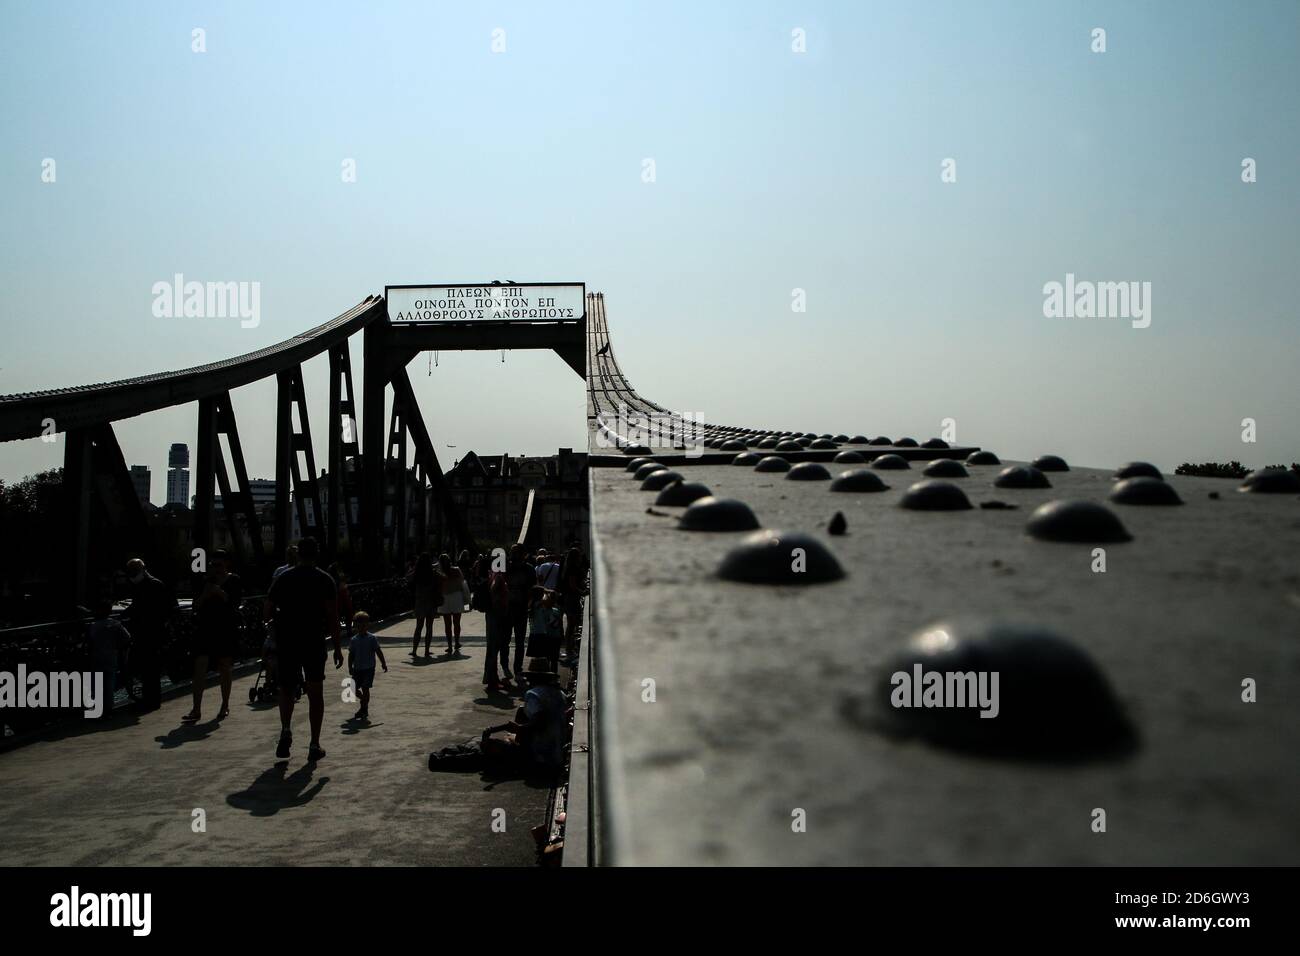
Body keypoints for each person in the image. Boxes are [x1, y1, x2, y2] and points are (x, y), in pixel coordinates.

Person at [264, 537, 342, 761]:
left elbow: (267, 608)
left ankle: (286, 729)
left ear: (298, 554)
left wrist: (272, 627)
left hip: (288, 640)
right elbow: (332, 616)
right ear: (316, 554)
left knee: (286, 689)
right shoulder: (325, 580)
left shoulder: (284, 577)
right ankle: (314, 744)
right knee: (315, 693)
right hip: (313, 640)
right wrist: (337, 647)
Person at [480, 658, 569, 774]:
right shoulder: (560, 693)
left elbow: (540, 722)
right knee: (521, 713)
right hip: (559, 751)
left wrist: (519, 728)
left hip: (541, 753)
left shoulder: (533, 694)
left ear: (533, 678)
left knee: (492, 745)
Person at [183, 550, 242, 723]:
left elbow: (234, 604)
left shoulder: (234, 580)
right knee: (199, 666)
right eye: (213, 565)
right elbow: (196, 605)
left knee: (224, 666)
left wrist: (220, 592)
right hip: (205, 628)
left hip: (225, 629)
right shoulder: (205, 581)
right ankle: (196, 709)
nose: (215, 568)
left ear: (226, 564)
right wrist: (206, 594)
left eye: (219, 564)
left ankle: (225, 705)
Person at [124, 558, 177, 712]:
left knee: (151, 669)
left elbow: (164, 609)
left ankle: (151, 701)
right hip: (146, 632)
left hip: (152, 633)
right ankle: (150, 700)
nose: (133, 575)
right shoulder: (145, 584)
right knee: (148, 669)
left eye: (135, 571)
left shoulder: (154, 585)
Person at [87, 602, 130, 718]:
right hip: (111, 656)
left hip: (96, 657)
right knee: (109, 683)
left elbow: (89, 642)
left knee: (96, 684)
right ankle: (109, 708)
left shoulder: (93, 625)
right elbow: (127, 638)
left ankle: (98, 708)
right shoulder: (115, 624)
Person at [347, 611, 386, 720]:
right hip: (357, 669)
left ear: (368, 625)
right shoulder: (354, 640)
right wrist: (350, 667)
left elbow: (378, 651)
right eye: (358, 626)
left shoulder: (372, 638)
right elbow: (351, 654)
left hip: (369, 668)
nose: (361, 628)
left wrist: (383, 663)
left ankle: (364, 708)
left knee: (365, 688)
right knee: (353, 687)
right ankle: (363, 700)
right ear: (355, 626)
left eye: (364, 625)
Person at [504, 544, 535, 678]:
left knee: (519, 641)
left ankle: (517, 668)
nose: (513, 555)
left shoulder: (528, 569)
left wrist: (530, 605)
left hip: (520, 608)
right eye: (512, 552)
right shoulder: (505, 567)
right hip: (508, 608)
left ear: (523, 554)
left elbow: (532, 589)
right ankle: (506, 666)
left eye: (516, 552)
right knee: (506, 640)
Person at [481, 561, 511, 693]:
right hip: (496, 616)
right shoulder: (498, 577)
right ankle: (492, 681)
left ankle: (492, 678)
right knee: (494, 648)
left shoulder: (493, 575)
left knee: (493, 648)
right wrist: (501, 608)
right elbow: (496, 595)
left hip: (493, 615)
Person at [558, 546, 588, 666]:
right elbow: (572, 584)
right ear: (577, 557)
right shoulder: (573, 568)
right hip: (572, 598)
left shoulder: (566, 567)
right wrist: (582, 592)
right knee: (571, 625)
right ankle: (569, 650)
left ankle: (569, 649)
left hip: (567, 597)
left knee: (571, 625)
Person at [435, 553, 470, 655]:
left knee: (447, 624)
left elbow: (438, 585)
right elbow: (462, 582)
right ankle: (457, 642)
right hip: (456, 597)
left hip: (445, 597)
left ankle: (450, 645)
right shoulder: (456, 570)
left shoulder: (439, 572)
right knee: (456, 622)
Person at [408, 552, 439, 658]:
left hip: (420, 601)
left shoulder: (417, 572)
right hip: (431, 601)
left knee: (418, 627)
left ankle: (414, 650)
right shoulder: (433, 572)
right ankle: (427, 650)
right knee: (429, 627)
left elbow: (408, 578)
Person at [528, 587, 564, 674]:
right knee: (546, 660)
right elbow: (546, 601)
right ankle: (548, 677)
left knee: (546, 660)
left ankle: (547, 677)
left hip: (545, 636)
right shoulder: (537, 605)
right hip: (542, 636)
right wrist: (549, 592)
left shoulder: (538, 607)